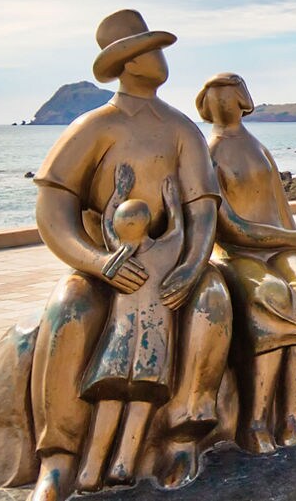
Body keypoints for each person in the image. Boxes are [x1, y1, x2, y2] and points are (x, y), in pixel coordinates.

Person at [26, 10, 232, 501]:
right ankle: (58, 458)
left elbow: (202, 209)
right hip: (108, 264)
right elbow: (53, 208)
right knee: (69, 305)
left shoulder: (182, 128)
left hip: (169, 262)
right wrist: (96, 263)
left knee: (213, 299)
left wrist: (192, 263)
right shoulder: (94, 126)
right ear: (131, 61)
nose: (162, 60)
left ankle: (183, 436)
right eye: (152, 50)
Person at [197, 73, 296, 454]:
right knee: (269, 296)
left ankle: (291, 416)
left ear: (243, 100)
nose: (224, 100)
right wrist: (285, 240)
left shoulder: (257, 148)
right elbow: (227, 224)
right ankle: (254, 421)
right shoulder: (208, 152)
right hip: (239, 252)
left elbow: (283, 210)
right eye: (216, 95)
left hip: (281, 247)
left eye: (230, 93)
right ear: (206, 105)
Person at [77, 172, 185, 490]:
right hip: (153, 343)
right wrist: (172, 200)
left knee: (109, 398)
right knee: (142, 400)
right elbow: (178, 229)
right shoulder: (165, 252)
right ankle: (123, 463)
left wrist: (118, 193)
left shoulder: (117, 256)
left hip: (119, 342)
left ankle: (91, 468)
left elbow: (107, 222)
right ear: (148, 223)